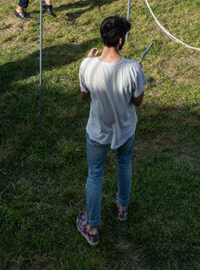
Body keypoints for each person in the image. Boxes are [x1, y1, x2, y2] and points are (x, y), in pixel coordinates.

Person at [76, 14, 147, 247]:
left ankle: (92, 227)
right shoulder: (133, 68)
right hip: (125, 128)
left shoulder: (87, 65)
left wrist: (87, 62)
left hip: (97, 129)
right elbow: (137, 102)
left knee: (95, 174)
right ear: (120, 41)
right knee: (124, 163)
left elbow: (83, 95)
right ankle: (123, 207)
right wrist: (137, 76)